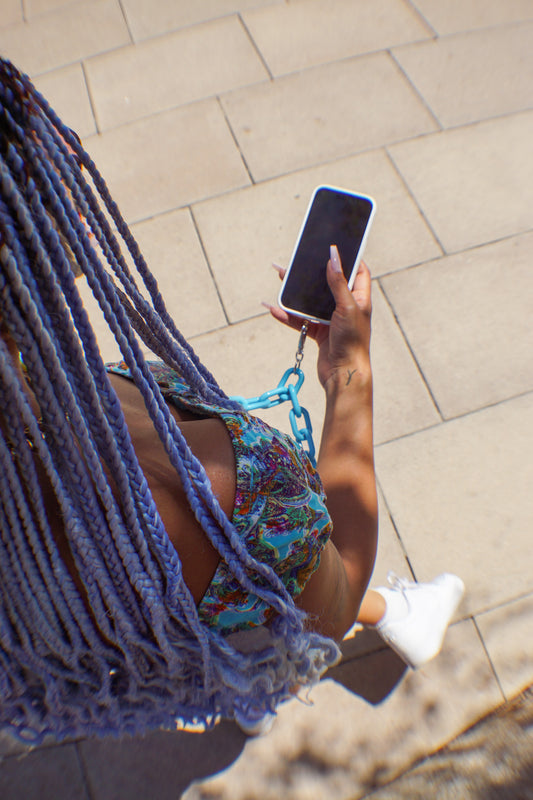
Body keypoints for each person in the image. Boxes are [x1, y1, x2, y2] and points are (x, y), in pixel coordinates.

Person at [0, 58, 463, 743]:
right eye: (27, 127)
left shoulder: (30, 437)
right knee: (285, 576)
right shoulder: (211, 483)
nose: (67, 144)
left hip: (102, 646)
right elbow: (328, 602)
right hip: (228, 575)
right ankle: (369, 620)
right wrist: (349, 373)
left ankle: (360, 625)